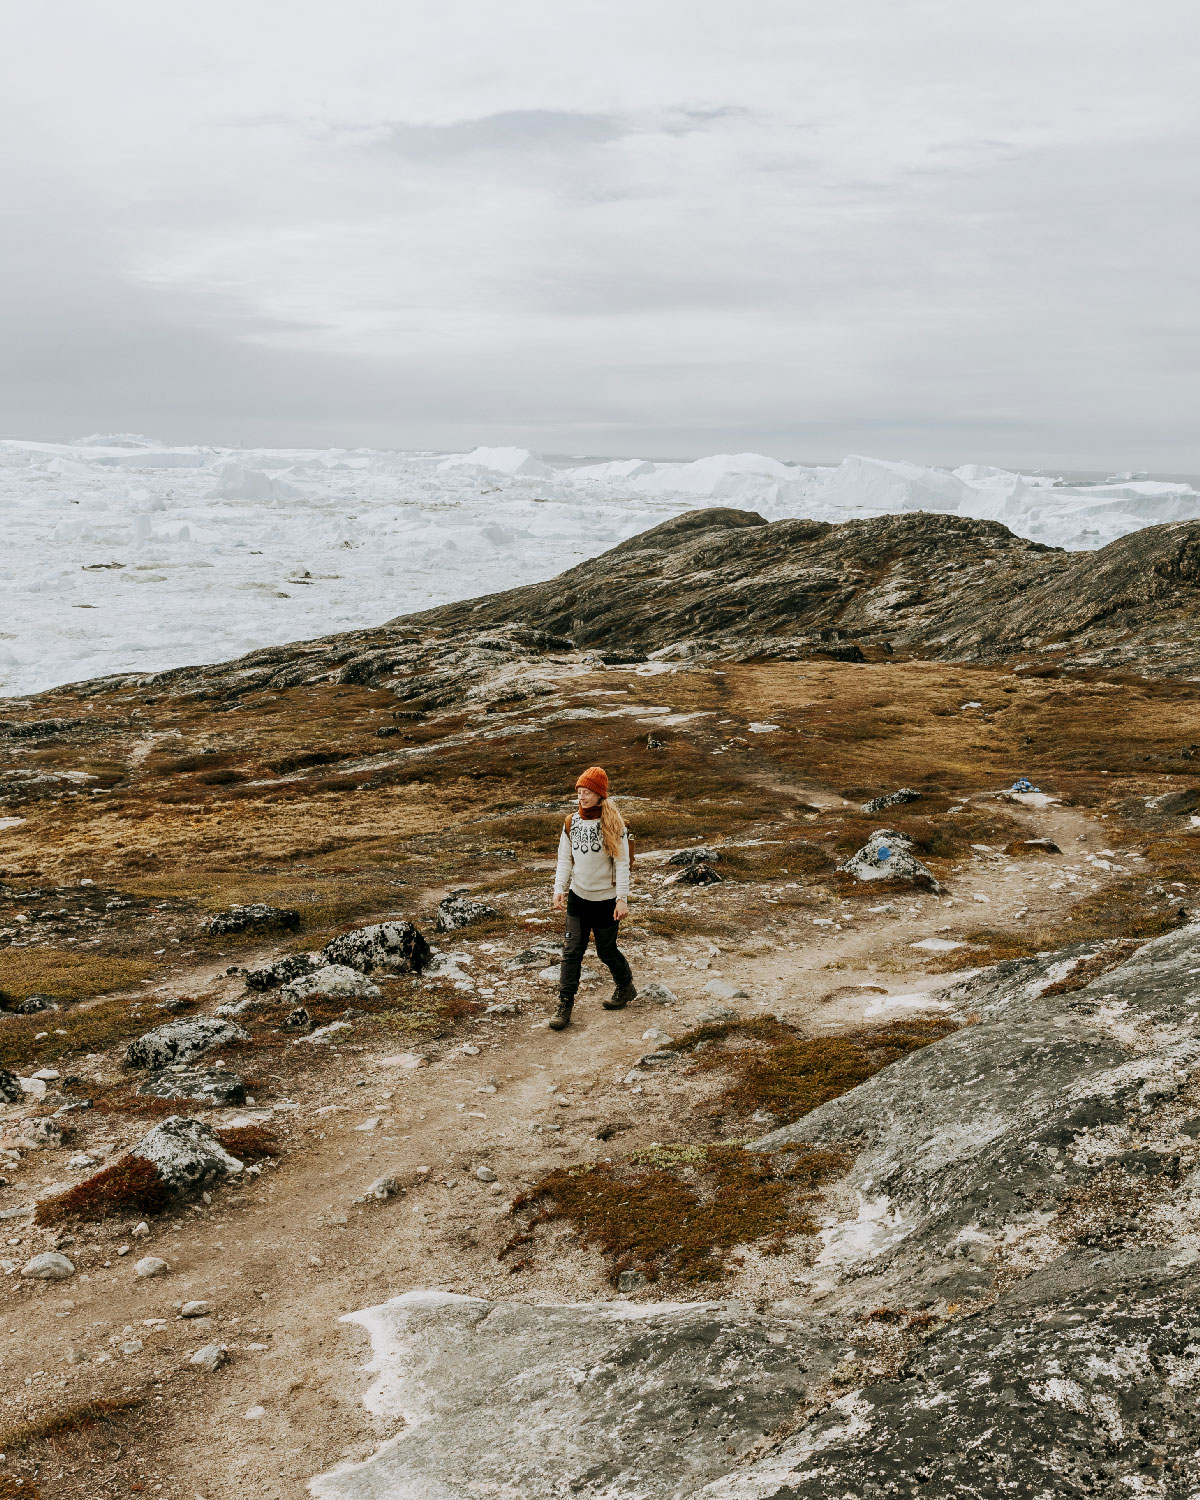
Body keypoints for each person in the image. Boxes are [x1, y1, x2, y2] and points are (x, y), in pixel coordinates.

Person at [549, 765, 636, 1030]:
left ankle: (625, 986)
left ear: (599, 795)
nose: (582, 797)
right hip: (578, 898)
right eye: (579, 791)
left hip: (607, 901)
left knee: (606, 951)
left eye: (587, 792)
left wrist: (622, 898)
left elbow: (622, 864)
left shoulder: (614, 825)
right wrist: (558, 889)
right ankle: (564, 1005)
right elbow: (565, 859)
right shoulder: (570, 823)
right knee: (571, 952)